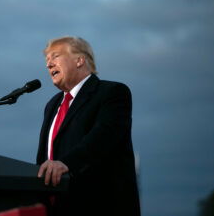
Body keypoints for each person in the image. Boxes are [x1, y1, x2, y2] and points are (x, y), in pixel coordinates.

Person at [36, 36, 141, 216]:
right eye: (47, 60)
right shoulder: (52, 105)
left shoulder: (112, 92)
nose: (49, 64)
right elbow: (44, 158)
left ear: (79, 60)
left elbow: (104, 136)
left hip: (100, 205)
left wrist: (66, 163)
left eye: (55, 56)